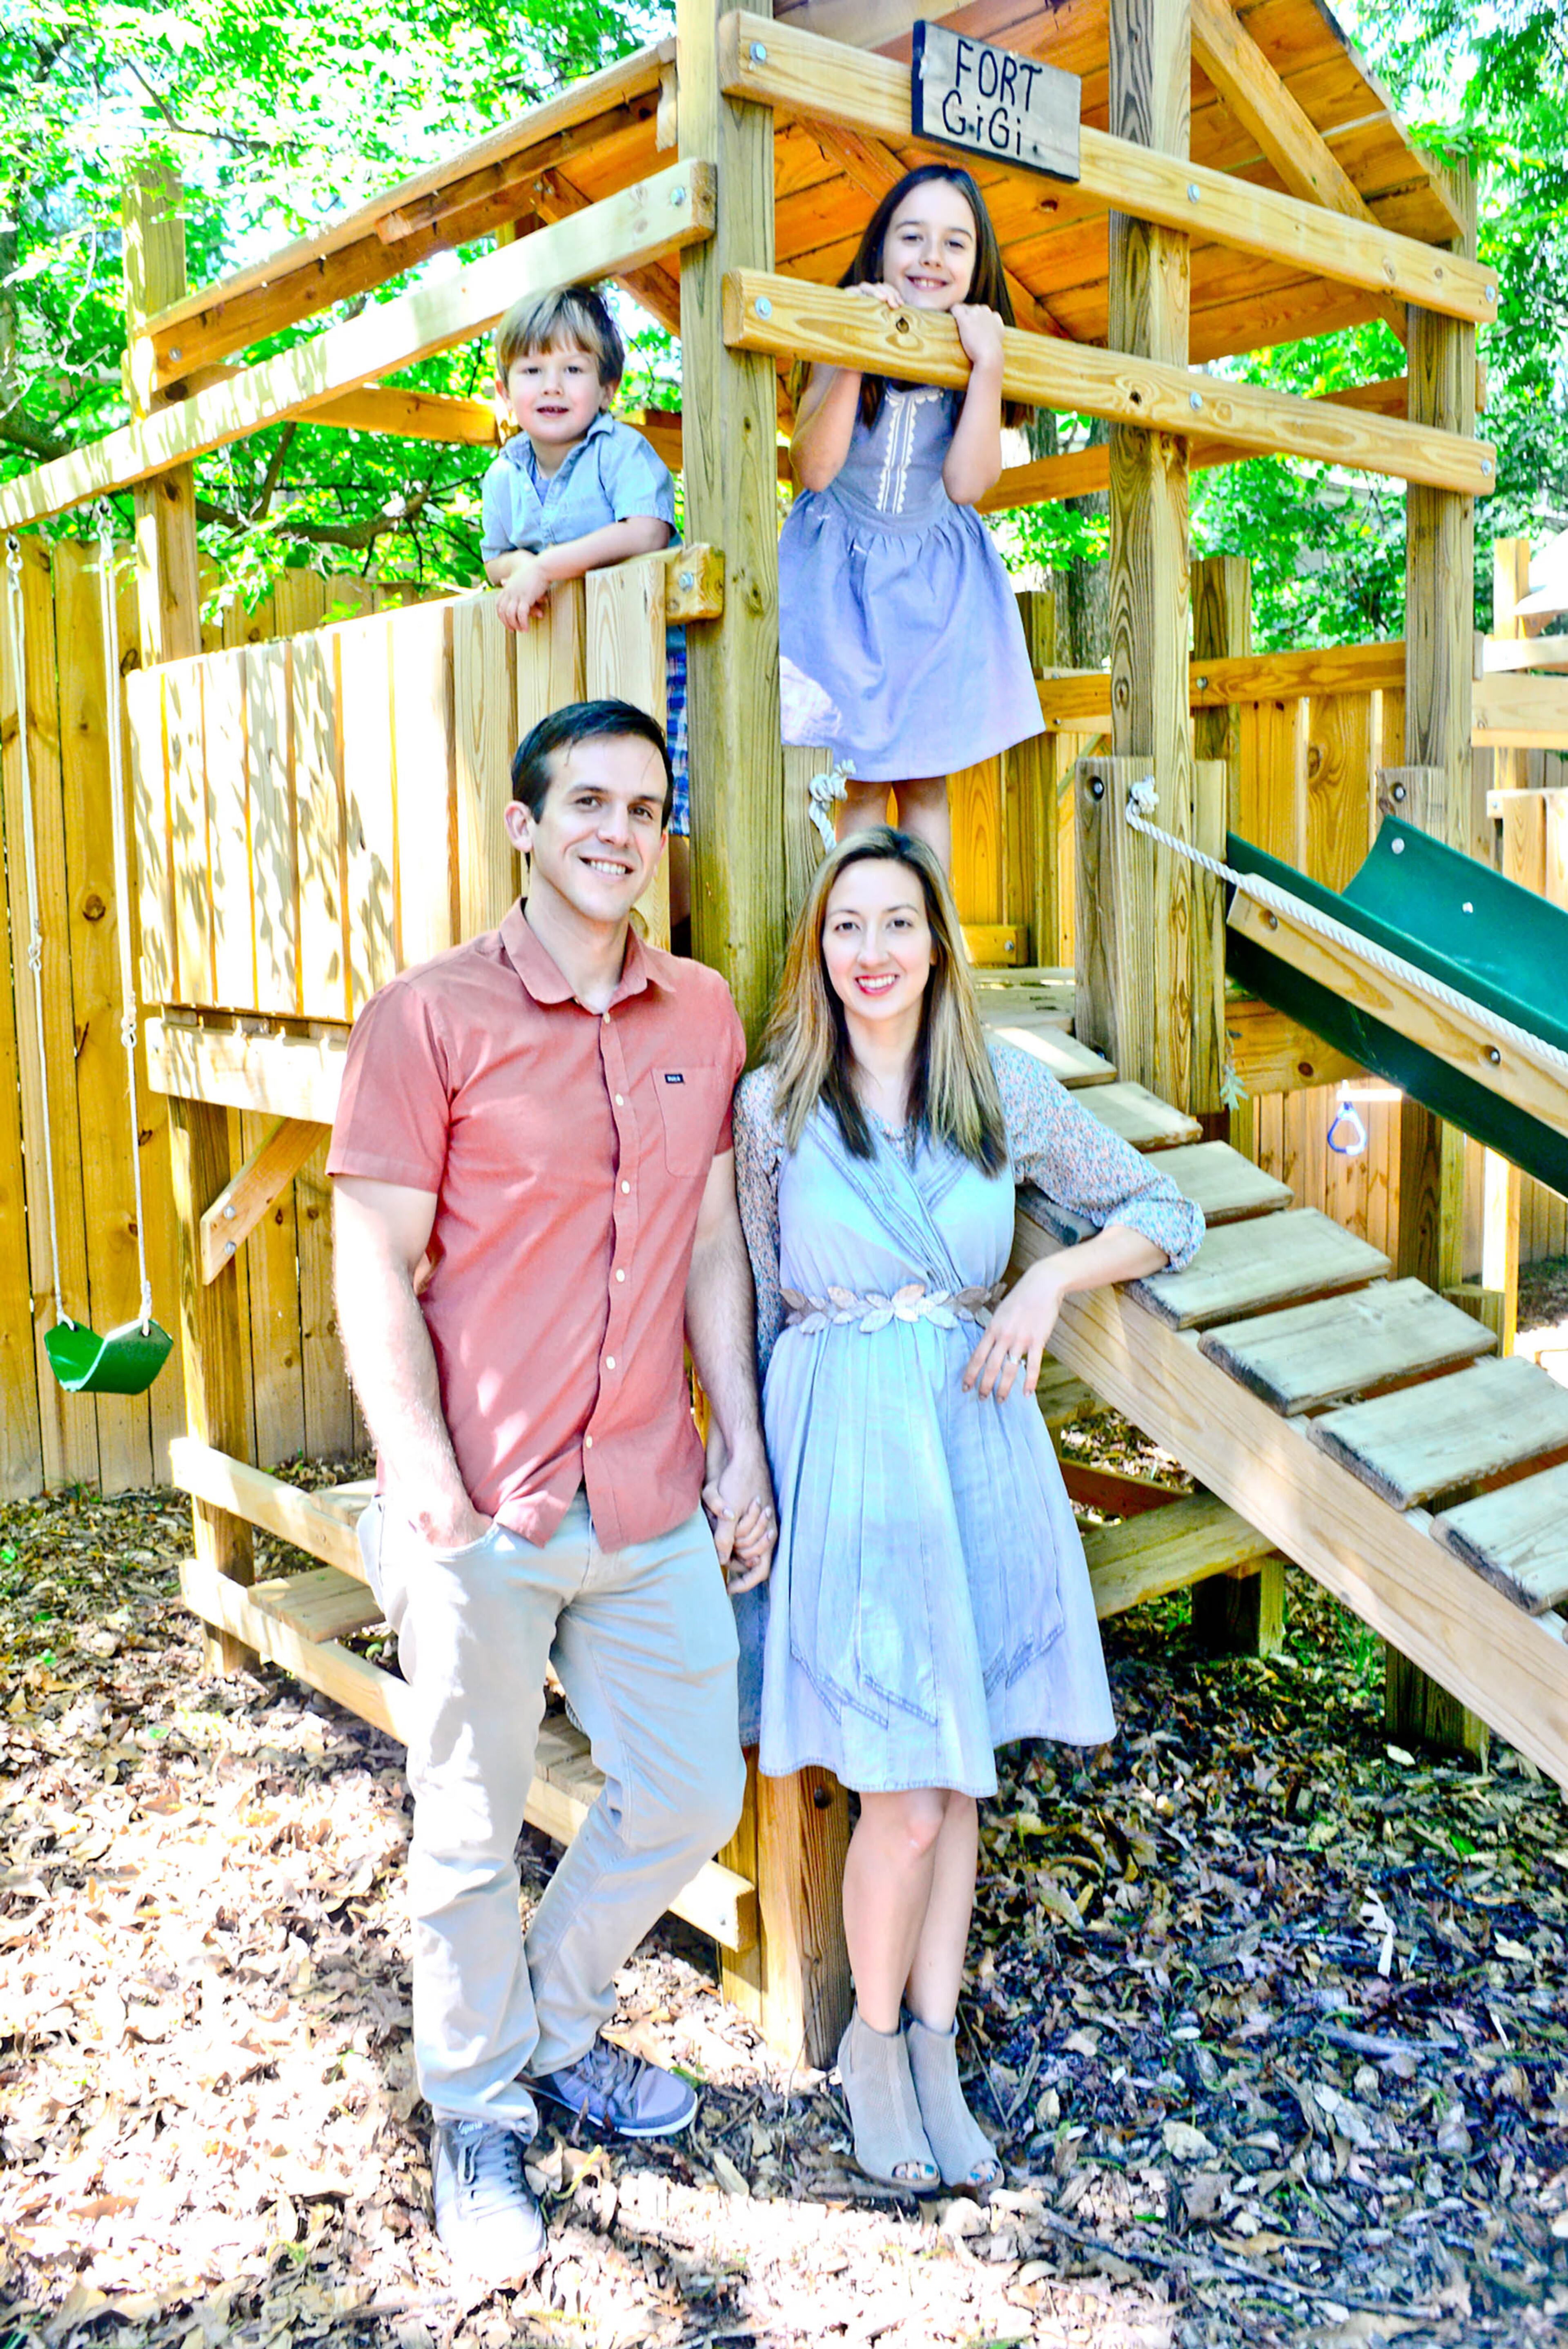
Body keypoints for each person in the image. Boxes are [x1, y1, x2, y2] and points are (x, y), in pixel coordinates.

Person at [328, 698, 776, 2285]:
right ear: (522, 824)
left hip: (649, 1488)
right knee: (462, 1828)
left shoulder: (702, 1012)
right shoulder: (425, 1019)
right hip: (485, 1506)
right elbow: (371, 1254)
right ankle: (476, 2106)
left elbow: (714, 1240)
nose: (617, 828)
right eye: (585, 801)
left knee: (685, 1791)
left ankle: (558, 2027)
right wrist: (416, 1468)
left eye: (644, 806)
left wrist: (741, 1440)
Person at [732, 830, 1203, 2194]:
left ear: (939, 943)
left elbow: (1167, 1210)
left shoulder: (1002, 1094)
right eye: (845, 929)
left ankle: (934, 2044)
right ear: (819, 955)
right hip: (846, 1449)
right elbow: (765, 1304)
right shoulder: (778, 1111)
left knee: (957, 1767)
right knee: (909, 1793)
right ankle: (874, 2046)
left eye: (897, 924)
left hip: (970, 1440)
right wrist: (757, 1477)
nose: (872, 954)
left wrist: (1047, 1287)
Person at [777, 165, 1043, 873]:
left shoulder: (973, 351)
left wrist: (987, 367)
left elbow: (966, 483)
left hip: (933, 585)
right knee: (854, 780)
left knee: (926, 779)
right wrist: (859, 347)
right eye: (913, 237)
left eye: (956, 244)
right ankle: (850, 941)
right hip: (842, 580)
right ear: (879, 250)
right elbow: (816, 468)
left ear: (978, 266)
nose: (932, 256)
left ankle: (928, 946)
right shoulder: (843, 329)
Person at [481, 283, 692, 939]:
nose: (552, 385)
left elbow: (647, 531)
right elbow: (495, 558)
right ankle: (591, 936)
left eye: (574, 369)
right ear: (505, 390)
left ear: (605, 389)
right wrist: (522, 572)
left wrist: (545, 568)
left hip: (654, 654)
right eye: (533, 370)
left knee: (663, 799)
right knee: (583, 792)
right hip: (572, 665)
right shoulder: (505, 473)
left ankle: (676, 933)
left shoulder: (618, 451)